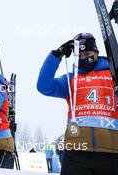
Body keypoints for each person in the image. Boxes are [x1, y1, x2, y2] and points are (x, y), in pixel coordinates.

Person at [37, 33, 118, 175]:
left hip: (111, 151)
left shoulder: (113, 75)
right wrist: (57, 55)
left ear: (96, 52)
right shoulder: (70, 80)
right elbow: (44, 85)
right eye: (79, 55)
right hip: (76, 152)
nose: (84, 58)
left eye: (87, 53)